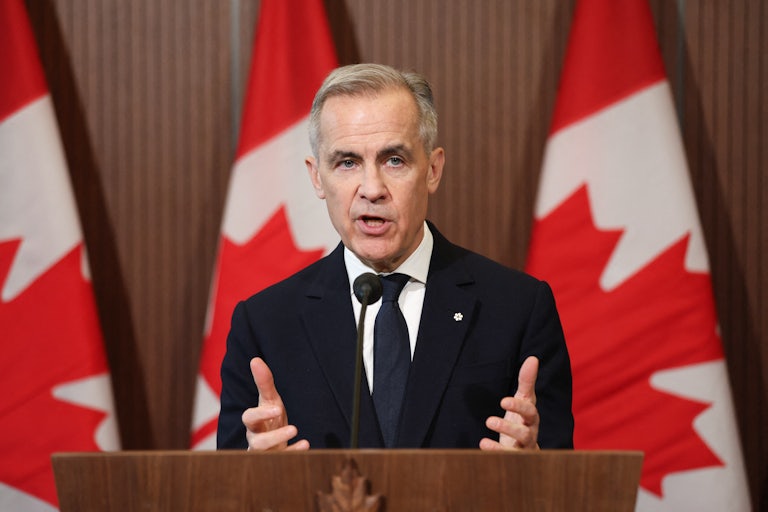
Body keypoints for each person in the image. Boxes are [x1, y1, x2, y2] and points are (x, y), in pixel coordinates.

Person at [217, 63, 573, 451]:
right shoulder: (265, 325)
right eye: (347, 162)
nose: (372, 189)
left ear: (433, 169)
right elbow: (229, 494)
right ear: (317, 177)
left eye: (394, 160)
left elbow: (566, 483)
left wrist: (535, 472)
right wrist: (256, 479)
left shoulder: (517, 309)